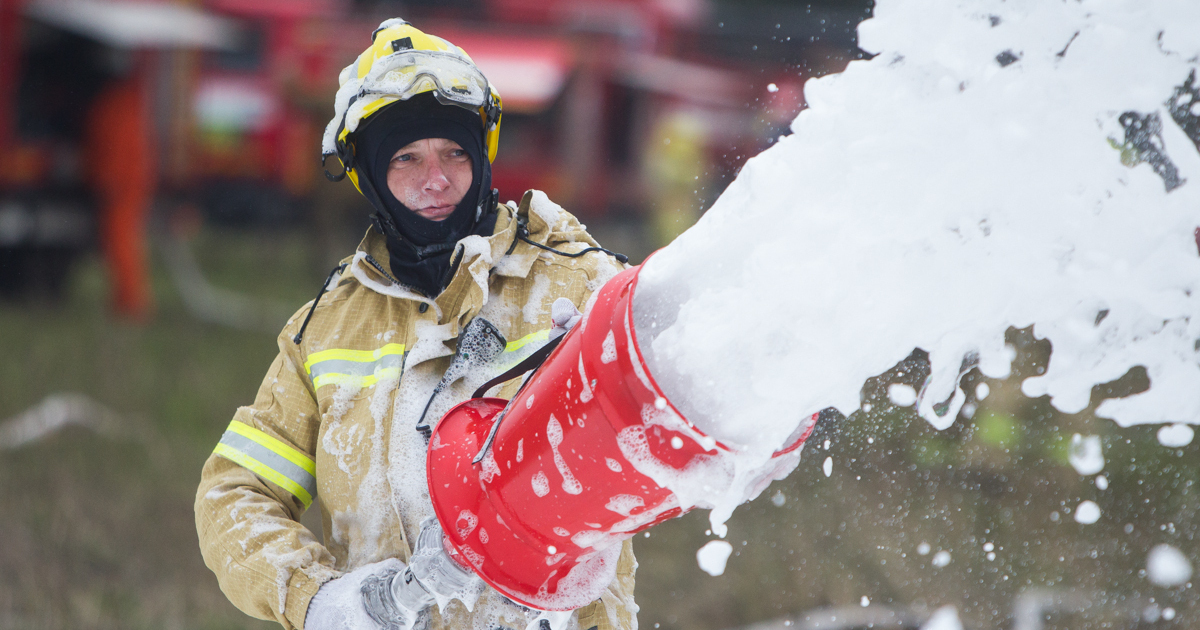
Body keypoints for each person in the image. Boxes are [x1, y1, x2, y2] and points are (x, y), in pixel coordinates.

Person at [194, 19, 636, 630]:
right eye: (406, 158)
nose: (438, 180)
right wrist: (321, 602)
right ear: (368, 176)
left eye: (456, 151)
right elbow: (234, 491)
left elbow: (686, 387)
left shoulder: (577, 285)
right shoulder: (325, 329)